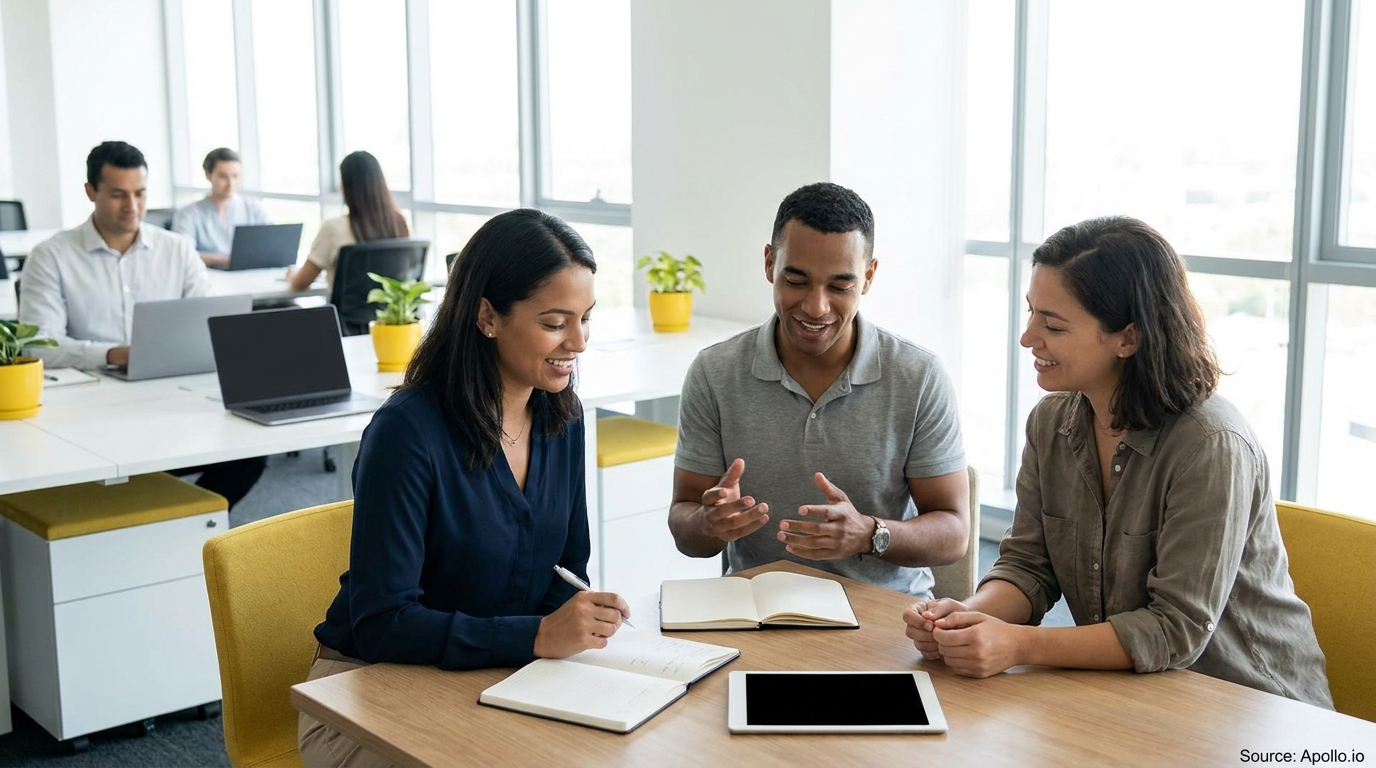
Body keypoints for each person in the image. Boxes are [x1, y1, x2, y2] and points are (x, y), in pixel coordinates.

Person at [902, 216, 1332, 708]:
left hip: (1254, 706)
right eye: (1031, 314)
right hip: (1132, 692)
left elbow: (1175, 629)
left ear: (1128, 338)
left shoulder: (1211, 445)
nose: (1027, 338)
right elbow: (1028, 566)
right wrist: (964, 618)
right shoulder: (1051, 423)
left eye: (1053, 324)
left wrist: (1016, 644)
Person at [300, 209, 630, 767]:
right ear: (487, 317)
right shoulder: (406, 433)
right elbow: (383, 624)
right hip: (369, 691)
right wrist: (533, 638)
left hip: (496, 676)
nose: (578, 341)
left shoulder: (562, 418)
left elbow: (566, 569)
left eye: (586, 318)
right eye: (555, 323)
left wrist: (566, 627)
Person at [666, 182, 970, 597]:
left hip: (884, 616)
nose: (816, 307)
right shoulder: (714, 372)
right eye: (797, 280)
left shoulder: (919, 376)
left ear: (868, 277)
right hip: (756, 610)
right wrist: (708, 523)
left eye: (840, 286)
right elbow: (686, 528)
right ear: (770, 263)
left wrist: (870, 534)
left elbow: (954, 534)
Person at [19, 141, 266, 508]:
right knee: (118, 470)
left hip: (171, 397)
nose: (132, 206)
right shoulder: (51, 256)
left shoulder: (177, 249)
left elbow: (212, 324)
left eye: (140, 193)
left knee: (249, 453)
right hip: (91, 407)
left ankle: (185, 527)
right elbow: (39, 345)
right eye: (118, 195)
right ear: (91, 192)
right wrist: (115, 354)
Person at [286, 150, 407, 294]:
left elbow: (300, 283)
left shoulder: (333, 228)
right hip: (389, 316)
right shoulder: (398, 222)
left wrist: (291, 275)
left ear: (345, 186)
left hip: (342, 317)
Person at [170, 147, 270, 267]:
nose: (230, 183)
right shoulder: (188, 214)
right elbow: (183, 254)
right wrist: (226, 260)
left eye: (235, 176)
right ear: (208, 174)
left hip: (250, 274)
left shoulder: (253, 208)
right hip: (209, 277)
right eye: (223, 177)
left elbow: (271, 243)